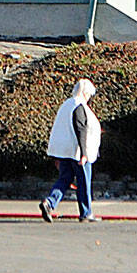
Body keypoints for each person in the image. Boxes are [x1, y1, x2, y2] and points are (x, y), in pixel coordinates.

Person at [39, 78, 102, 223]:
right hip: (77, 152)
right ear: (85, 93)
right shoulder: (79, 106)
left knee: (64, 179)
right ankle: (86, 213)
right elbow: (81, 129)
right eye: (89, 95)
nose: (89, 98)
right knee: (83, 181)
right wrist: (84, 154)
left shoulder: (66, 105)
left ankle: (49, 202)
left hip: (64, 152)